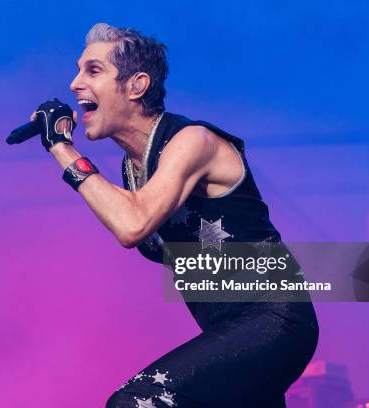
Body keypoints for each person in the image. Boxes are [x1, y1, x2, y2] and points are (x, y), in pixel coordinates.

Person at [28, 23, 319, 408]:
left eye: (93, 71)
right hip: (228, 330)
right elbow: (128, 215)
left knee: (135, 402)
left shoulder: (192, 142)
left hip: (272, 319)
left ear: (136, 86)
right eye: (79, 70)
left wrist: (60, 146)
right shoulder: (133, 169)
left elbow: (133, 225)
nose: (74, 84)